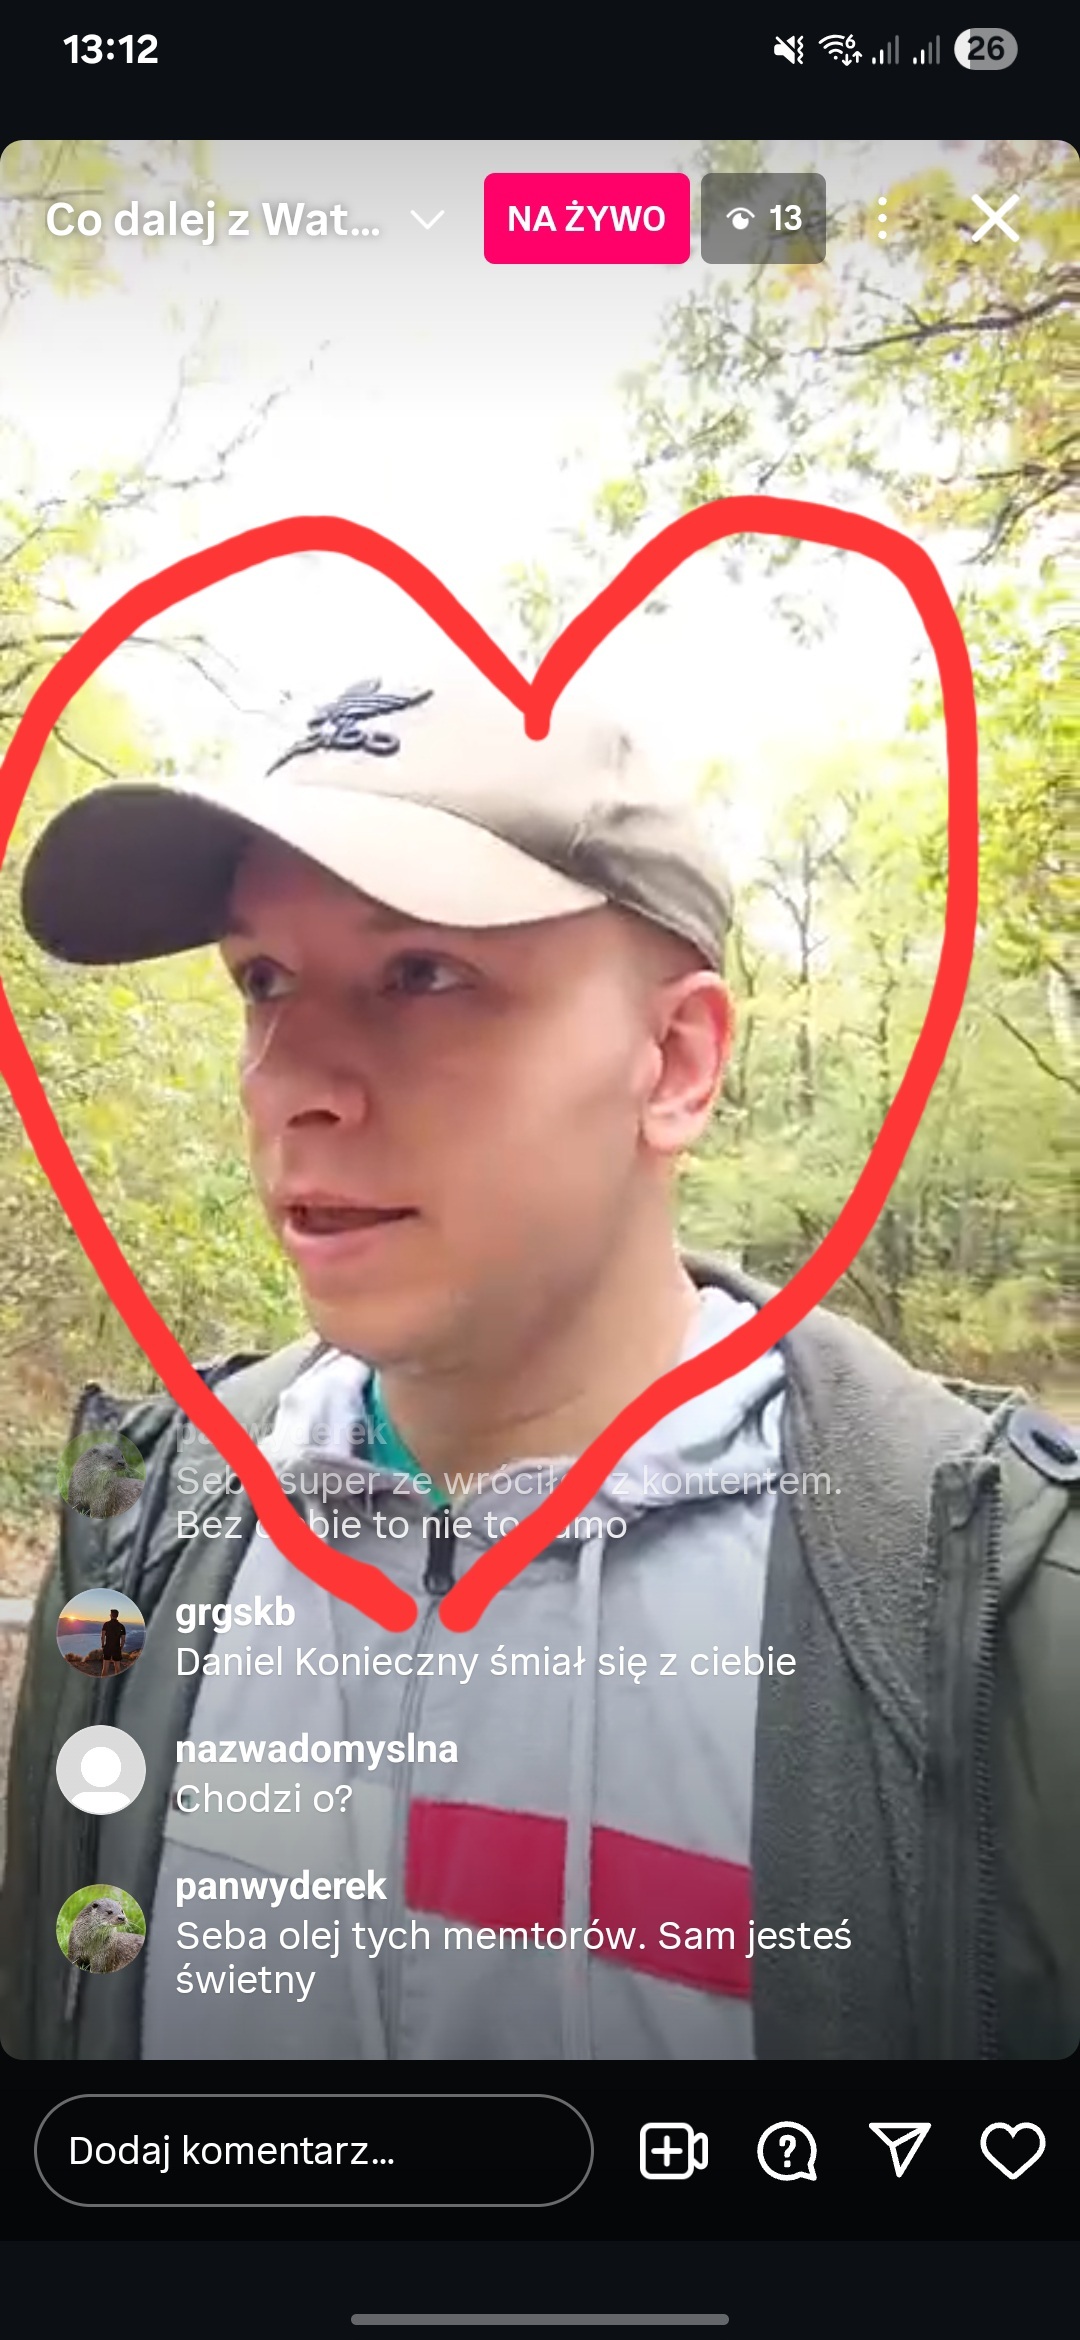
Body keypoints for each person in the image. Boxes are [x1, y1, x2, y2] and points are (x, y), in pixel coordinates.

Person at [1, 673, 1078, 2064]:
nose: (292, 1082)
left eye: (421, 975)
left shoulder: (992, 1618)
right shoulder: (150, 1528)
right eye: (262, 981)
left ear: (674, 1063)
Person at [99, 1609, 127, 1677]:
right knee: (118, 1669)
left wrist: (103, 1645)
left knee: (105, 1669)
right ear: (117, 1616)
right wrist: (120, 1648)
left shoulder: (106, 1624)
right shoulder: (121, 1626)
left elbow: (102, 1637)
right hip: (116, 1648)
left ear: (111, 1615)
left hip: (107, 1647)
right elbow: (123, 1640)